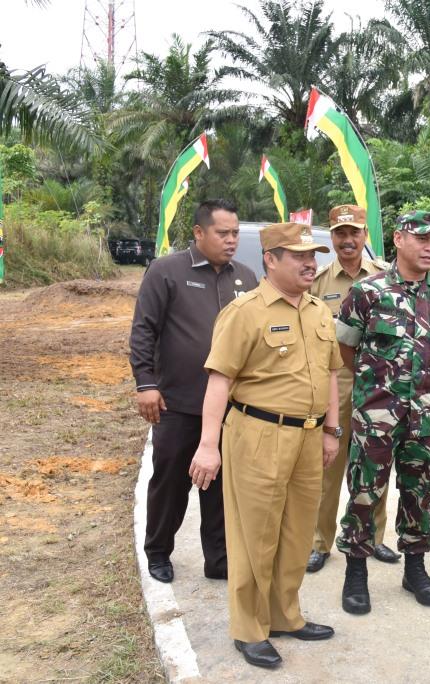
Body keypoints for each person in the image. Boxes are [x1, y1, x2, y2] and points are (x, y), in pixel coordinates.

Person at [188, 222, 341, 669]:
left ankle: (284, 615)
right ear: (270, 260)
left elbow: (332, 374)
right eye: (297, 256)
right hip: (258, 434)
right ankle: (249, 628)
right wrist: (207, 446)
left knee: (296, 534)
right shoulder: (245, 312)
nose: (310, 263)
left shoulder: (318, 311)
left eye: (312, 255)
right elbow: (220, 380)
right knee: (254, 535)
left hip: (309, 438)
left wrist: (332, 430)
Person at [335, 209, 430, 615]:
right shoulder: (367, 292)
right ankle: (356, 570)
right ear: (398, 239)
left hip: (426, 415)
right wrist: (377, 391)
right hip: (376, 415)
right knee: (364, 491)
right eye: (423, 238)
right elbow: (346, 350)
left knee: (420, 491)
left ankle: (415, 568)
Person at [129, 198, 258, 584]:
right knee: (171, 482)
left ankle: (218, 560)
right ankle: (158, 552)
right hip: (178, 403)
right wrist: (146, 383)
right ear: (199, 232)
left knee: (220, 491)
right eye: (223, 233)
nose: (231, 240)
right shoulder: (167, 271)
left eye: (235, 233)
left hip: (231, 409)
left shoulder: (246, 278)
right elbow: (144, 330)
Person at [306, 204, 398, 573]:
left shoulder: (386, 278)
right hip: (336, 384)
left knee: (376, 461)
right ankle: (319, 542)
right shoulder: (318, 282)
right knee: (328, 464)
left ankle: (374, 538)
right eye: (340, 233)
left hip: (379, 383)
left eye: (354, 232)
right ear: (331, 238)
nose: (347, 240)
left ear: (365, 236)